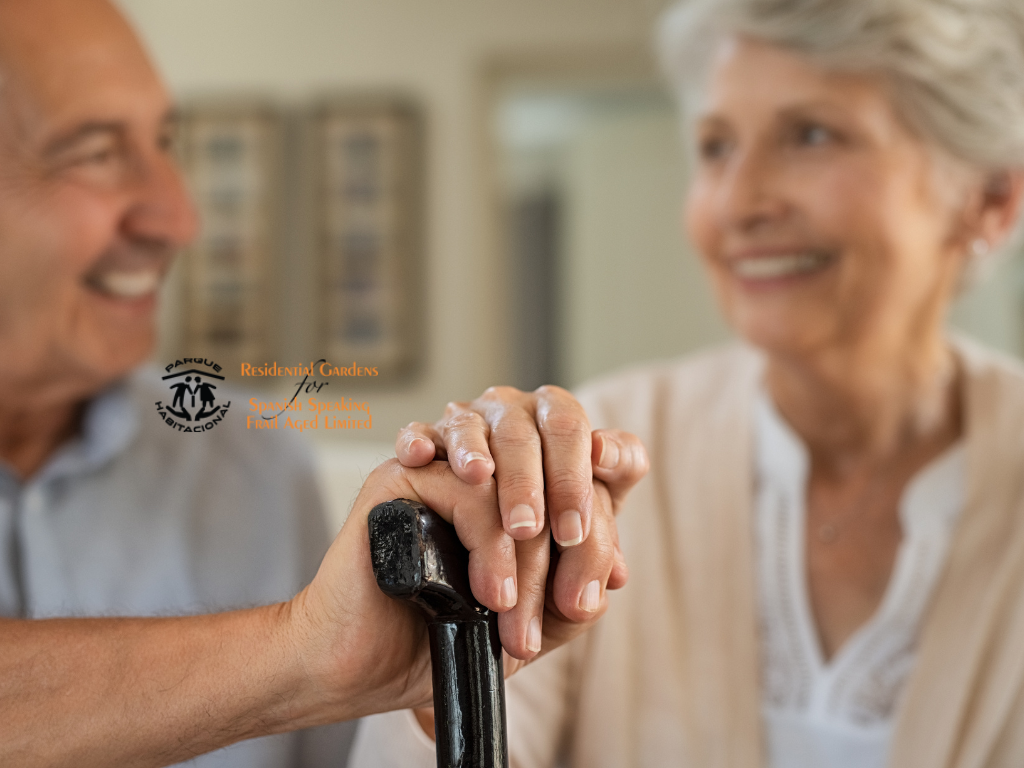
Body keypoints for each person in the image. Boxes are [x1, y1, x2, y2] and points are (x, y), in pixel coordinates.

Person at [352, 0, 1024, 766]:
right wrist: (452, 632)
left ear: (989, 200)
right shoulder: (586, 463)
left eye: (812, 135)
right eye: (715, 146)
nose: (737, 202)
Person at [0, 0, 649, 765]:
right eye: (95, 153)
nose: (178, 219)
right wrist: (302, 653)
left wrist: (448, 656)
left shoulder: (252, 461)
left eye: (165, 143)